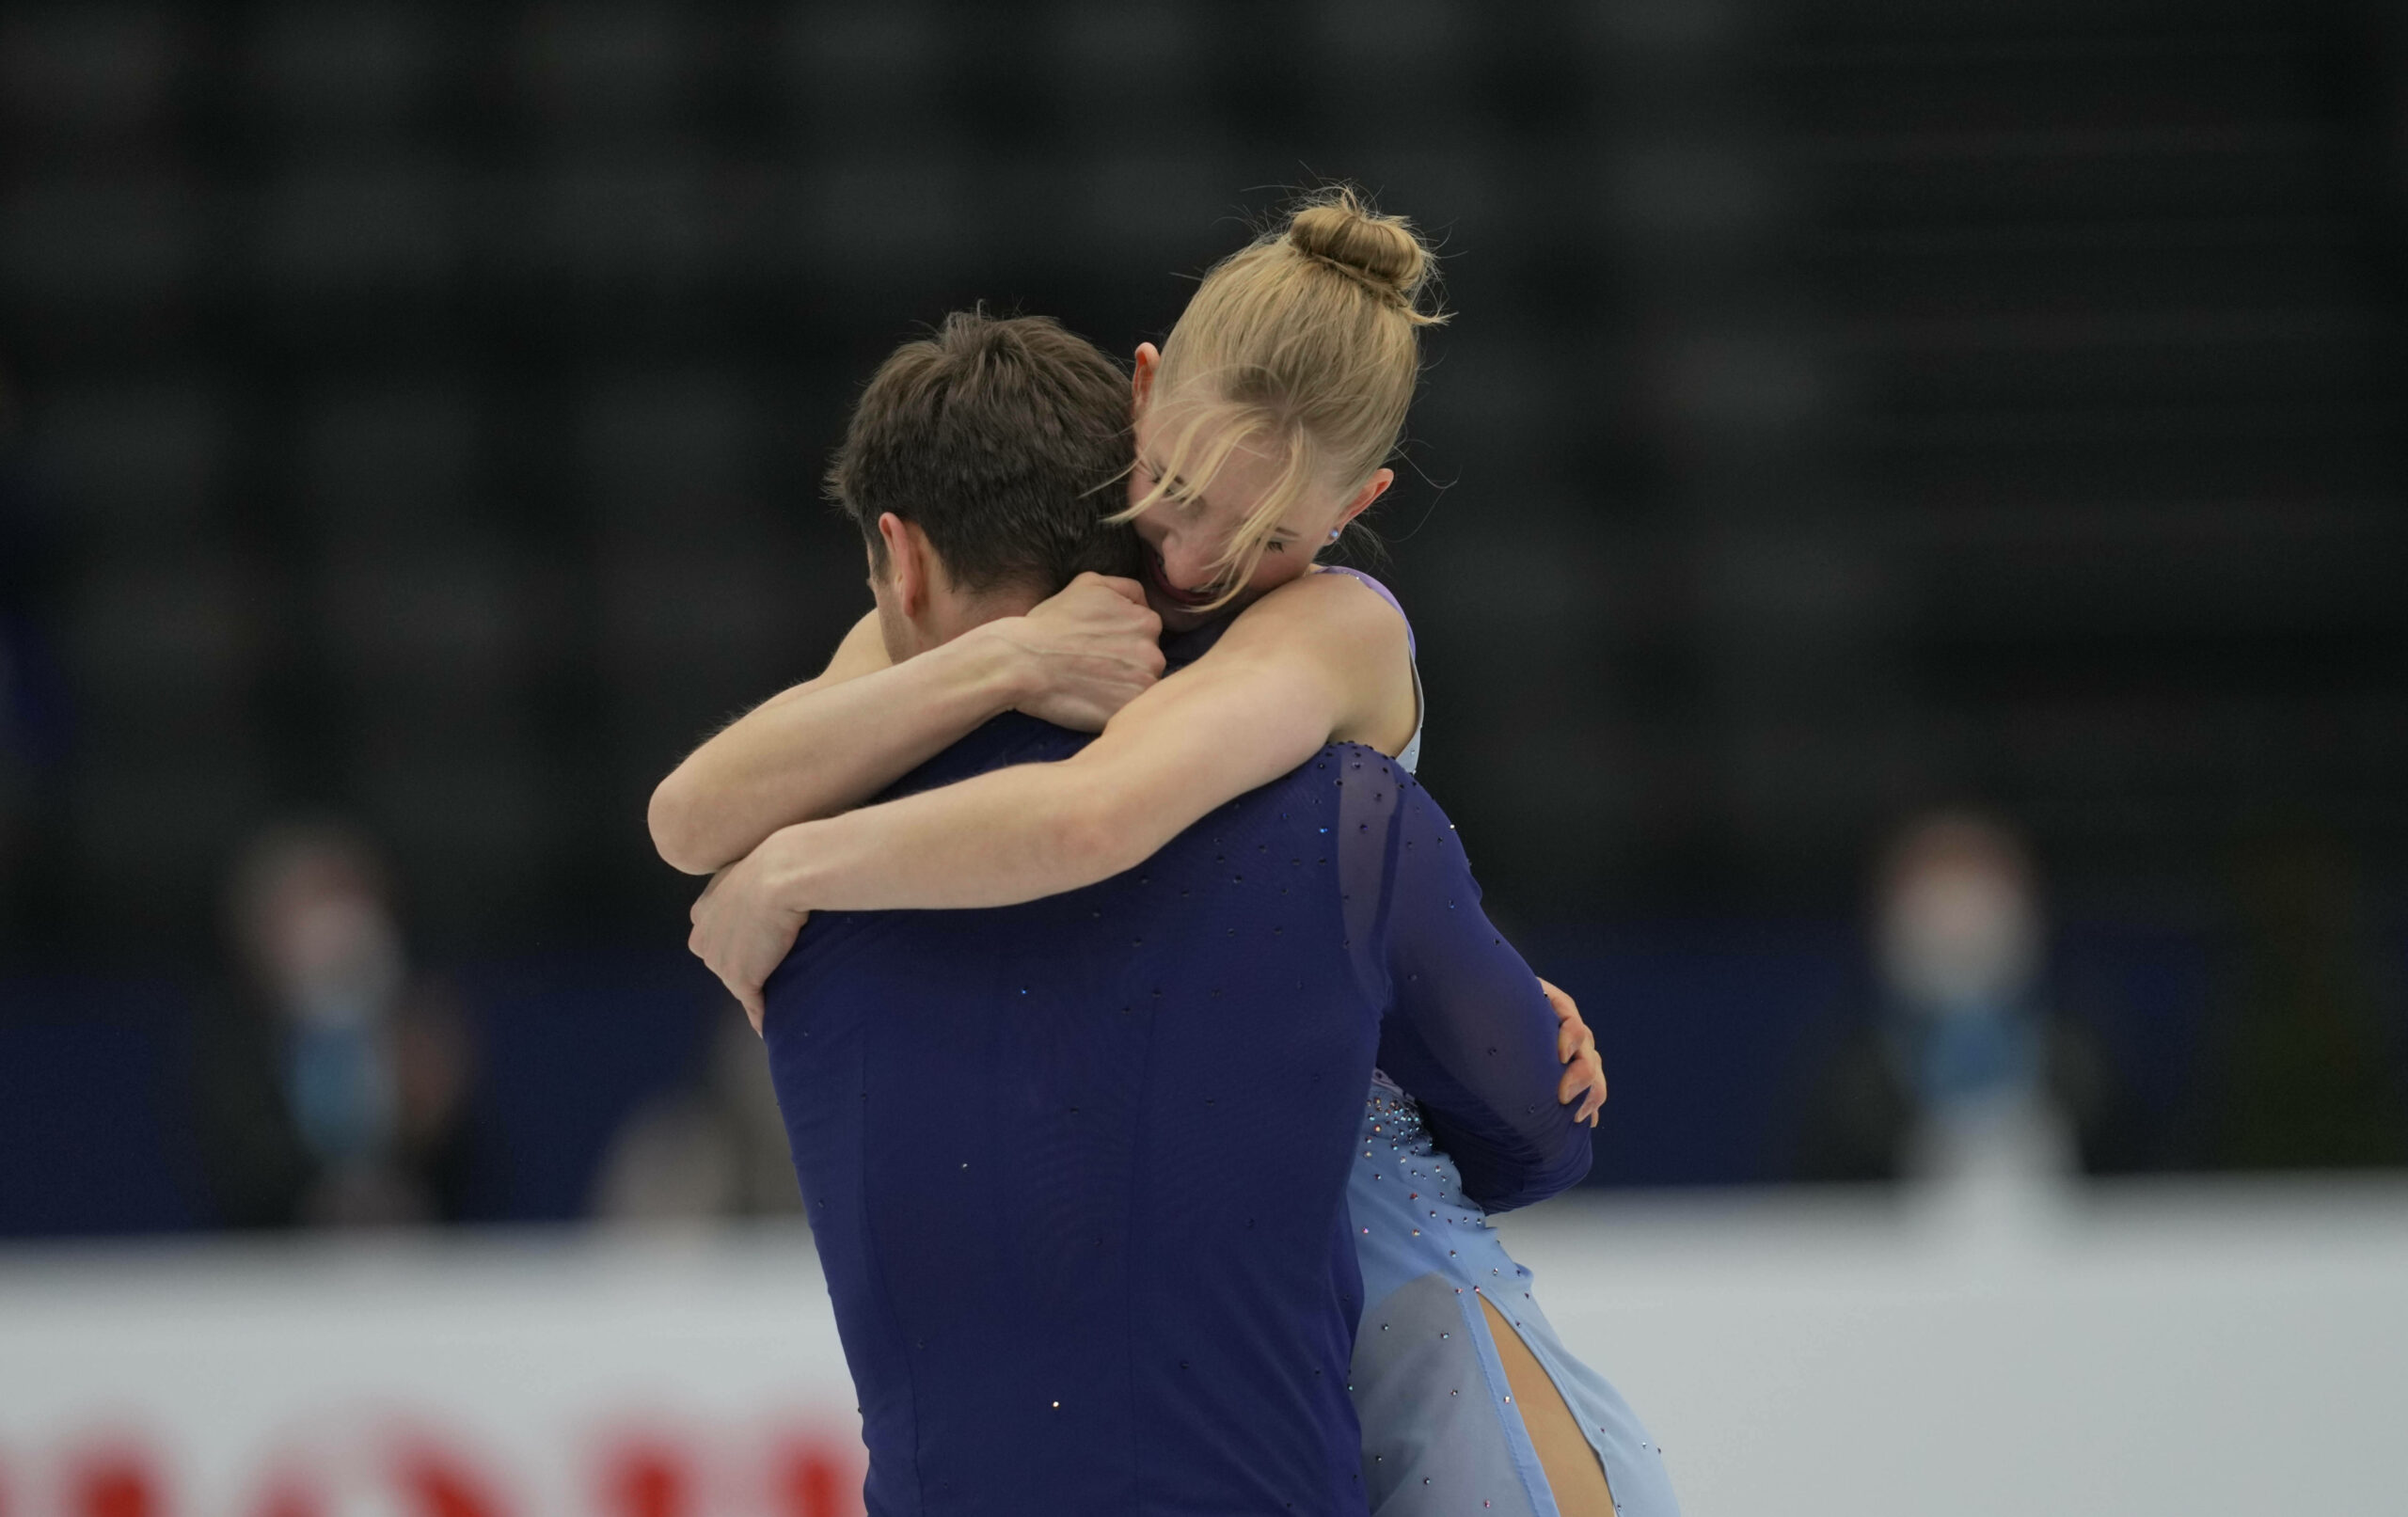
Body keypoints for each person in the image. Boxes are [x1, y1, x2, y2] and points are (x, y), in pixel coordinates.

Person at [662, 191, 1678, 1516]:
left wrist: (791, 873)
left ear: (1359, 502)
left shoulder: (1332, 626)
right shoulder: (1049, 584)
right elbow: (691, 815)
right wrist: (1008, 654)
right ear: (1144, 390)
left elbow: (1097, 819)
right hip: (1203, 1299)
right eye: (1181, 491)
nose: (1198, 557)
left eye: (1266, 534)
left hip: (1403, 1309)